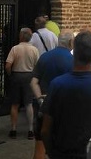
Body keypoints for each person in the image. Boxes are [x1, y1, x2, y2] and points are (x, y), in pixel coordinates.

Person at [41, 31, 91, 158]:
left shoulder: (57, 85)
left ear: (74, 52)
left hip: (63, 154)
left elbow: (45, 129)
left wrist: (52, 153)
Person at [31, 30, 74, 159]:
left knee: (39, 145)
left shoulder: (44, 57)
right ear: (71, 42)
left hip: (42, 108)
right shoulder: (72, 60)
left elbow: (33, 82)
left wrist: (40, 100)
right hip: (63, 110)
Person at [5, 27, 40, 139]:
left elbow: (8, 65)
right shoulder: (34, 50)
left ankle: (14, 129)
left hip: (16, 75)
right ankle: (30, 130)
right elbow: (37, 66)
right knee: (29, 103)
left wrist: (10, 74)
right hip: (29, 76)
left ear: (20, 36)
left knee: (15, 104)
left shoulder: (15, 49)